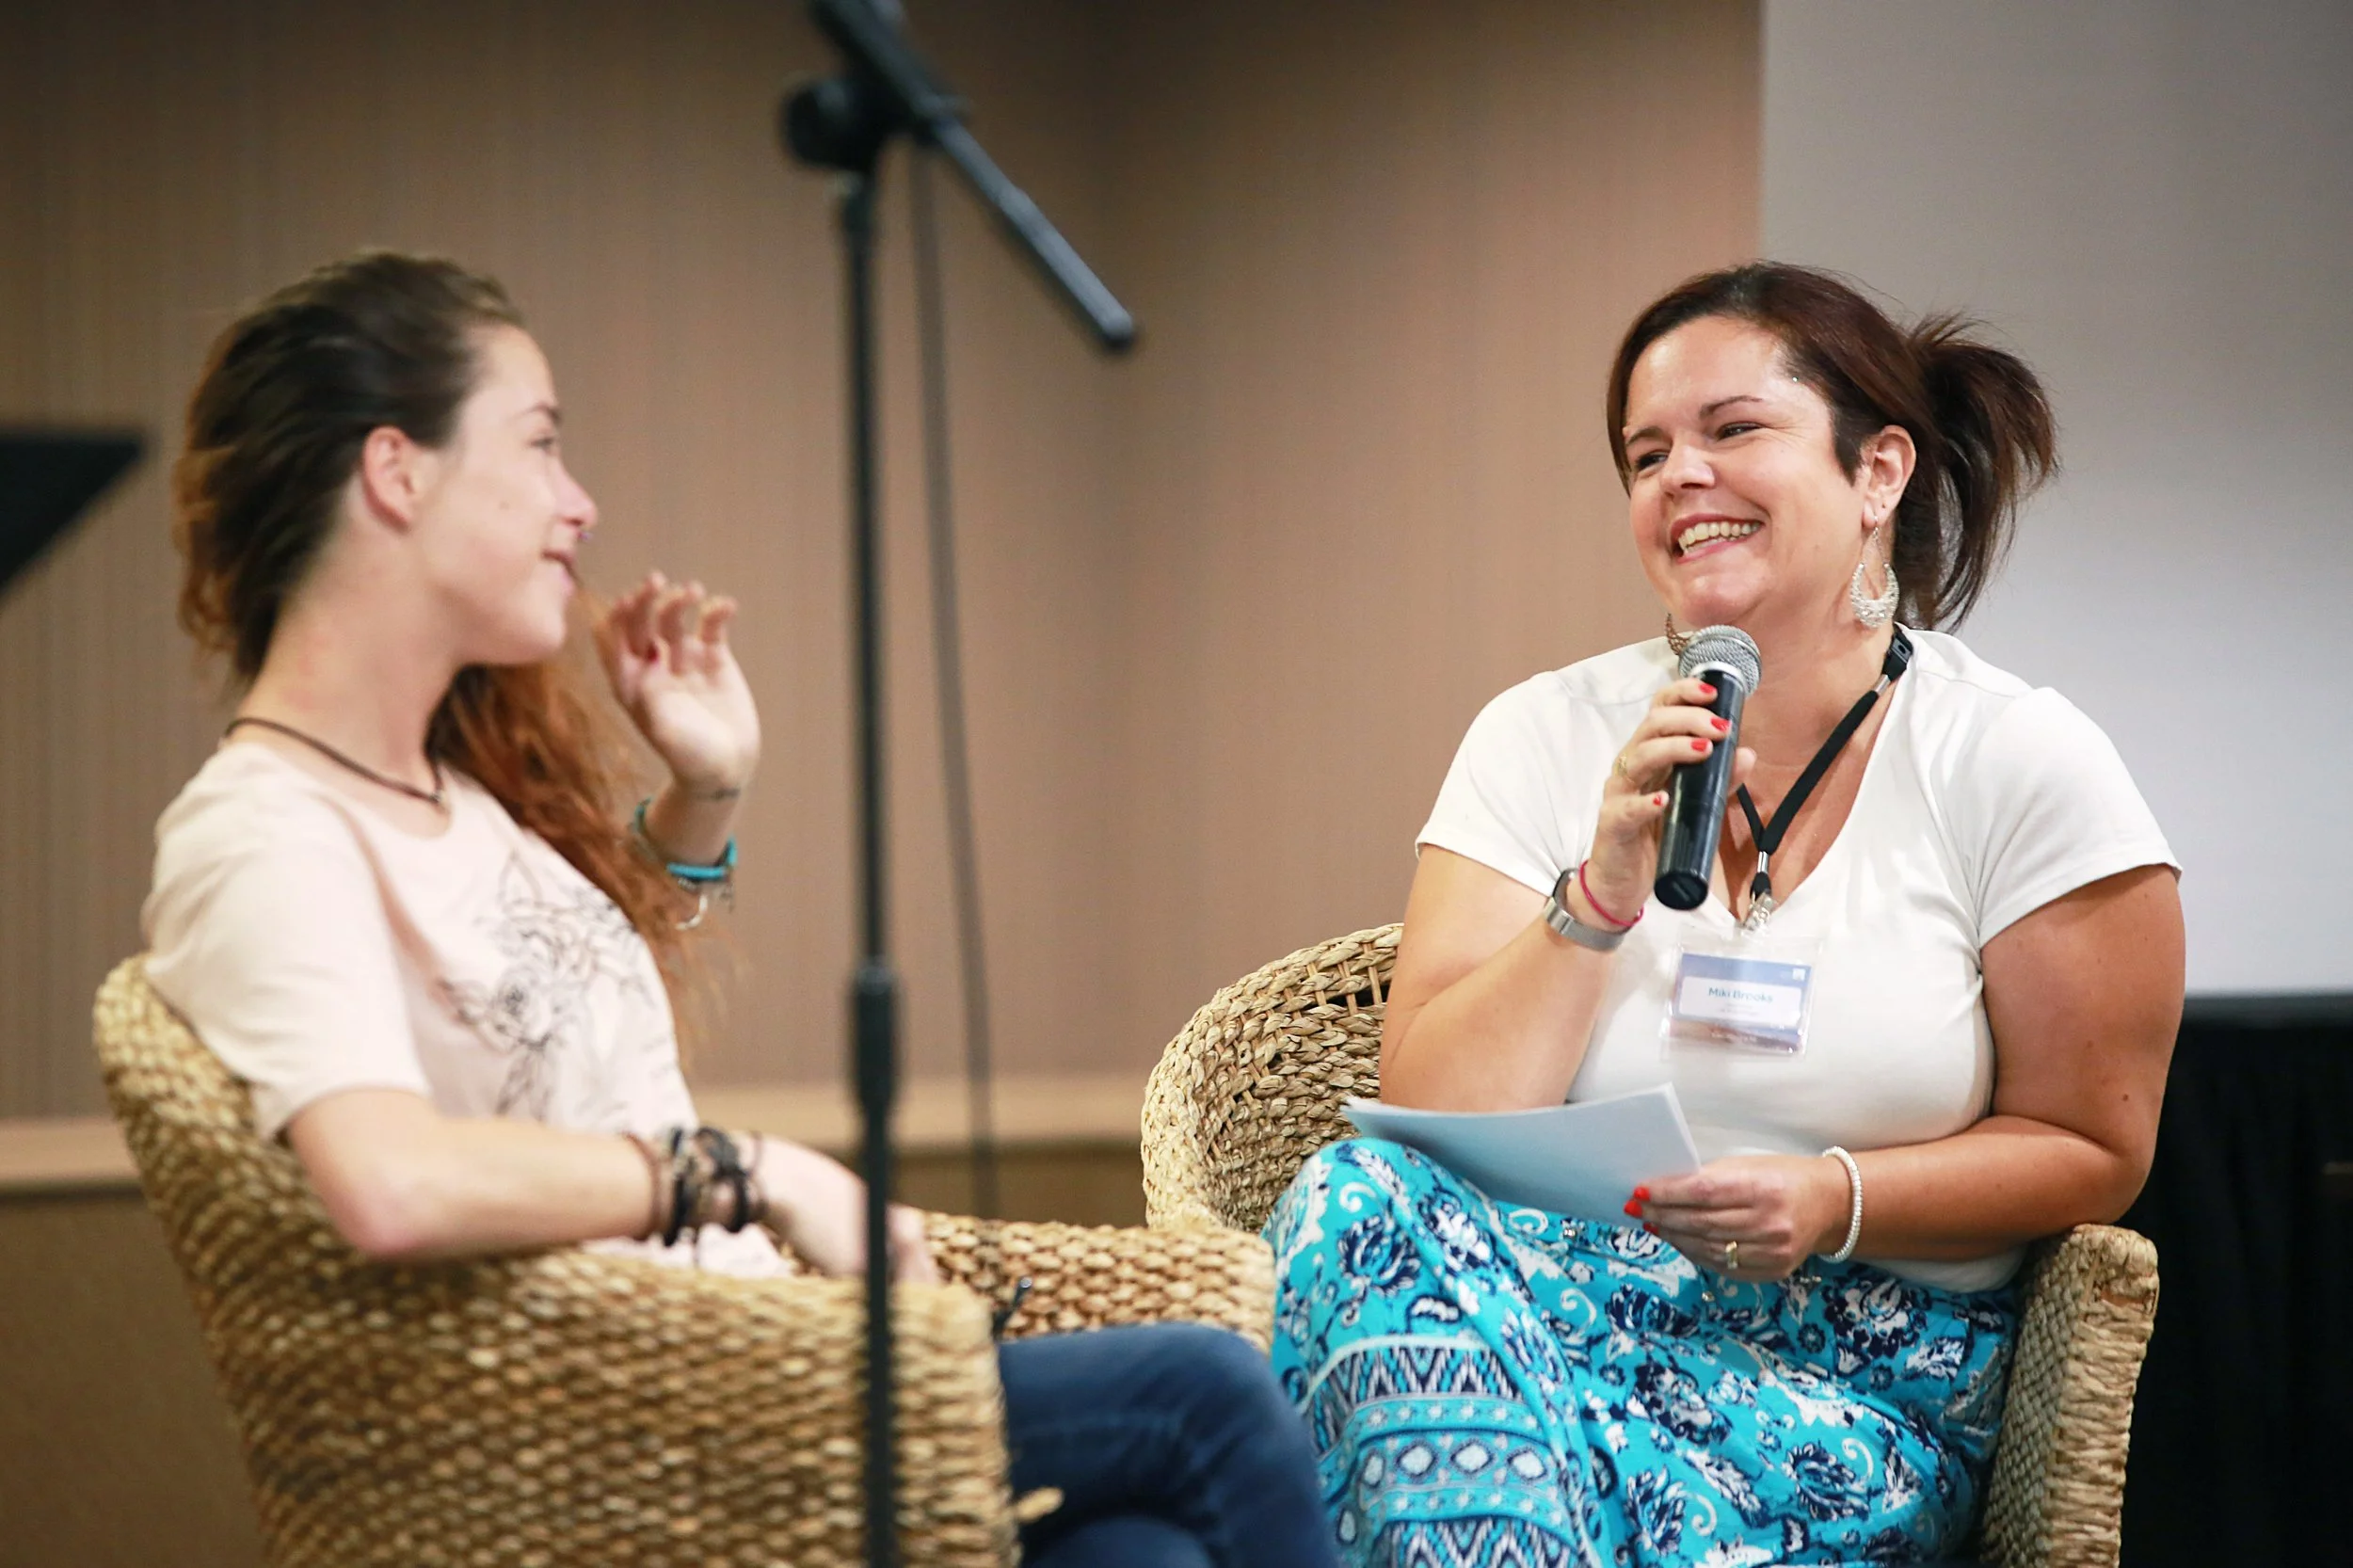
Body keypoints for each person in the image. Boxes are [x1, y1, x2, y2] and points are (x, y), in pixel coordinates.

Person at [145, 250, 1337, 1568]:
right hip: (631, 1427)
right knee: (1205, 1391)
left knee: (1143, 1557)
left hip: (735, 1356)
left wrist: (704, 790)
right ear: (397, 471)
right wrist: (750, 1175)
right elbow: (391, 1183)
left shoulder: (440, 791)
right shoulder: (263, 836)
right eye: (539, 445)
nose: (579, 503)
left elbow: (543, 1013)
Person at [1266, 263, 2183, 1564]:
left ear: (1879, 472)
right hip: (1545, 1317)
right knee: (1355, 1195)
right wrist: (1600, 896)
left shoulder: (2017, 758)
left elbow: (2094, 1145)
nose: (1679, 477)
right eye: (1646, 455)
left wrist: (1832, 1198)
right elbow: (1434, 1116)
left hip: (1857, 1367)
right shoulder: (1542, 732)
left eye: (1733, 429)